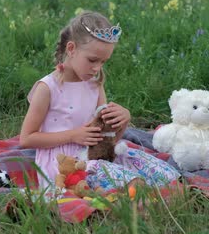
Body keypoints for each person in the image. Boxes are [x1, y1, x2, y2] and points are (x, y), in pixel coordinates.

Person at [19, 11, 180, 191]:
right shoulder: (48, 87)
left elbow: (106, 141)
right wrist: (73, 135)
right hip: (65, 163)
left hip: (95, 155)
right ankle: (135, 193)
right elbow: (26, 138)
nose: (97, 68)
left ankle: (157, 189)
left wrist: (123, 121)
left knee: (164, 173)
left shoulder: (94, 85)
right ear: (71, 49)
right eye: (92, 60)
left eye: (103, 62)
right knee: (129, 182)